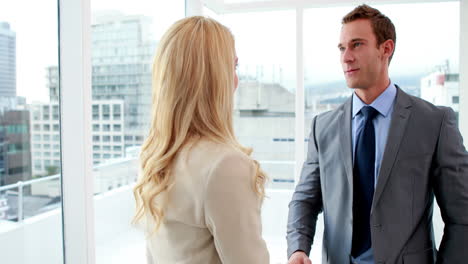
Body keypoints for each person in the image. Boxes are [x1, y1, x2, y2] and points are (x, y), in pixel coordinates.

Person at [287, 4, 468, 264]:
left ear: (386, 48)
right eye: (342, 48)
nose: (346, 57)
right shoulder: (322, 127)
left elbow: (462, 217)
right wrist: (298, 249)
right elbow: (305, 199)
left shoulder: (433, 122)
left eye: (357, 45)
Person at [132, 16, 269, 264]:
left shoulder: (154, 157)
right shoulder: (226, 165)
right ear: (214, 78)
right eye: (232, 67)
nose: (236, 81)